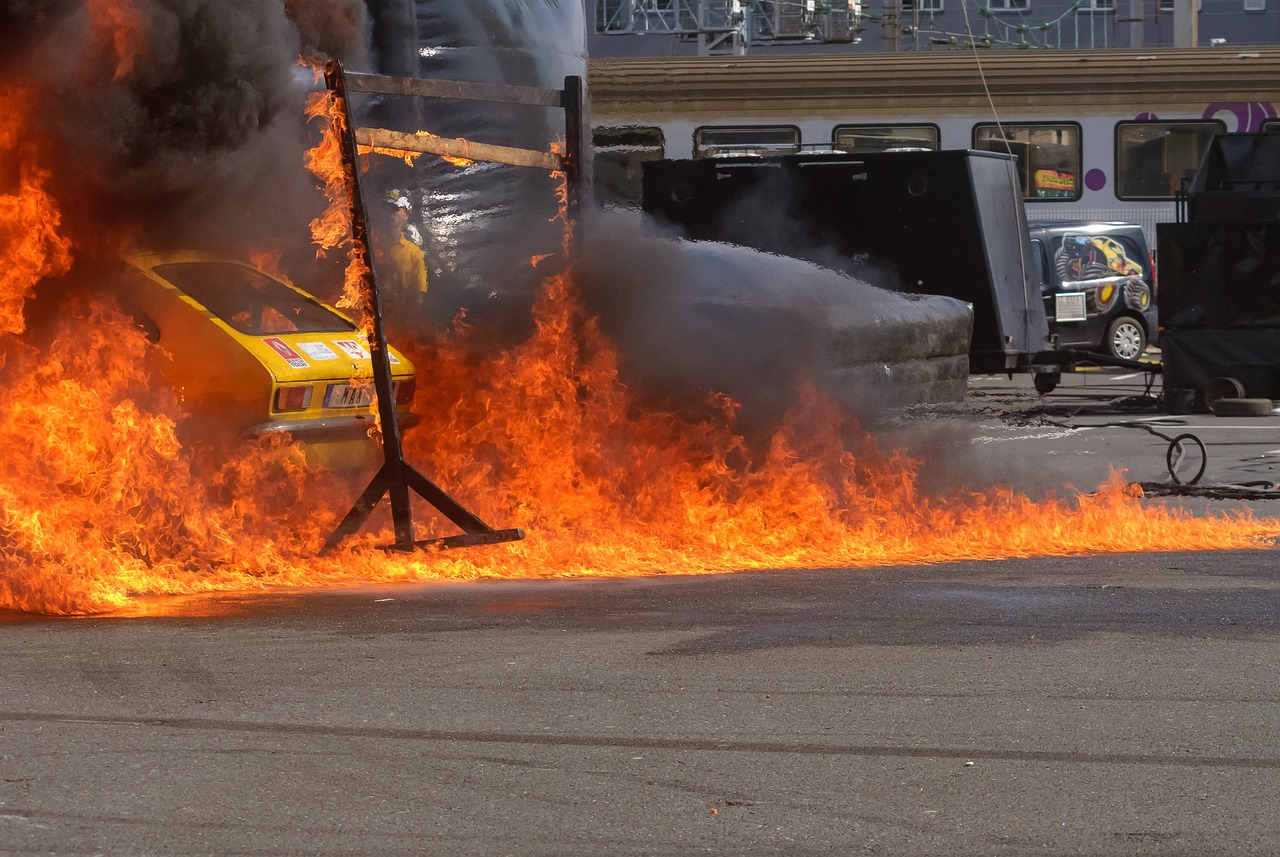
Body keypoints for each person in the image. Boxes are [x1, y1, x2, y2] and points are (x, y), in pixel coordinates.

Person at [370, 188, 428, 315]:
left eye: (395, 209)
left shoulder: (414, 254)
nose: (390, 213)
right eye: (386, 208)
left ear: (407, 213)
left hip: (396, 317)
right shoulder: (367, 241)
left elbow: (417, 296)